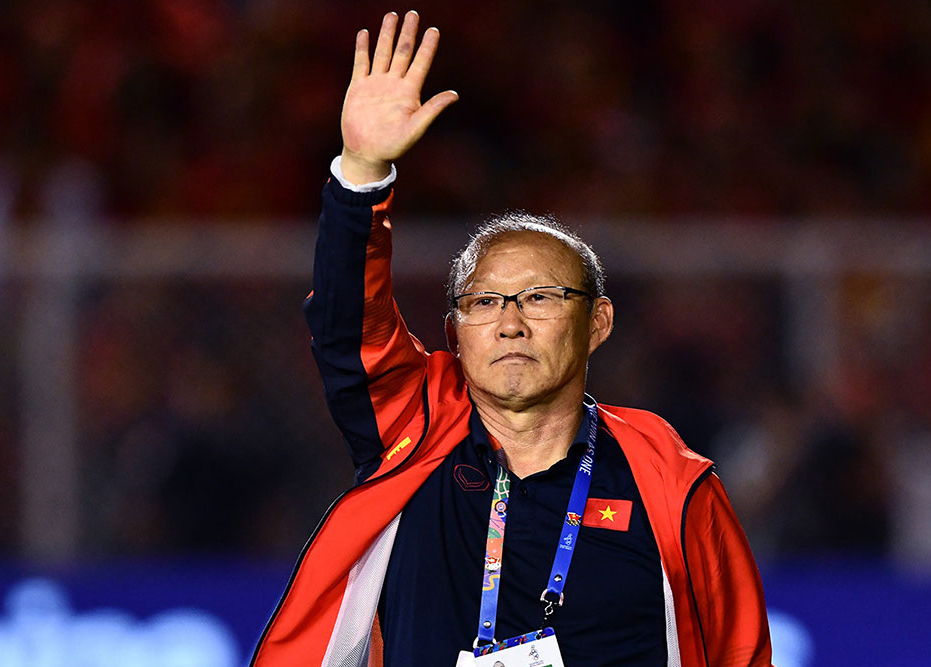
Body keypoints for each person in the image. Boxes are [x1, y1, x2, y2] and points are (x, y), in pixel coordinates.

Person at [250, 10, 774, 667]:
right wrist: (361, 172)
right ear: (454, 334)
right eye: (484, 302)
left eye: (541, 297)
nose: (509, 322)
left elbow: (738, 652)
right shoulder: (416, 428)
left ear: (598, 323)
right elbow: (347, 326)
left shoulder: (669, 479)